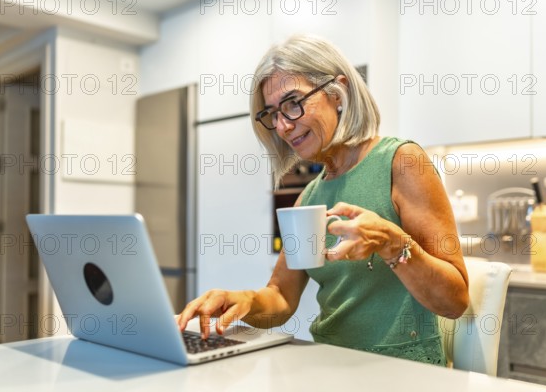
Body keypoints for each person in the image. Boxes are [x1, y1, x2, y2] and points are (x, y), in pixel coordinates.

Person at [177, 34, 469, 366]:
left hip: (402, 368)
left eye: (292, 103)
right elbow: (281, 297)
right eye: (272, 114)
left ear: (337, 92)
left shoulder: (402, 162)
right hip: (328, 362)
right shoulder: (309, 197)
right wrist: (239, 300)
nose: (283, 126)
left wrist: (391, 243)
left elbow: (455, 301)